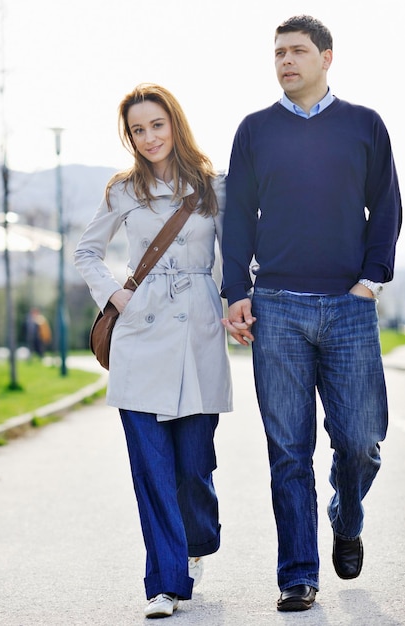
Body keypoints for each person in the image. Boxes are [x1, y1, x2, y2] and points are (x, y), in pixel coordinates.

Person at [221, 15, 402, 613]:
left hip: (348, 308)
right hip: (276, 307)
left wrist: (371, 282)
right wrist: (235, 291)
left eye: (298, 51)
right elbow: (239, 217)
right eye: (278, 53)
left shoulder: (364, 125)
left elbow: (389, 207)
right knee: (288, 449)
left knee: (361, 441)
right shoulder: (254, 131)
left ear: (328, 57)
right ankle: (298, 573)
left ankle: (345, 515)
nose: (286, 61)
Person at [74, 83, 232, 619]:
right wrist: (113, 293)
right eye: (137, 130)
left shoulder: (213, 186)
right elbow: (86, 250)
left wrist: (239, 302)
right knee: (151, 466)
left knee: (193, 465)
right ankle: (163, 582)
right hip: (141, 333)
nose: (148, 138)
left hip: (199, 335)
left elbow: (235, 257)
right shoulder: (122, 190)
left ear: (175, 124)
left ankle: (195, 542)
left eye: (156, 125)